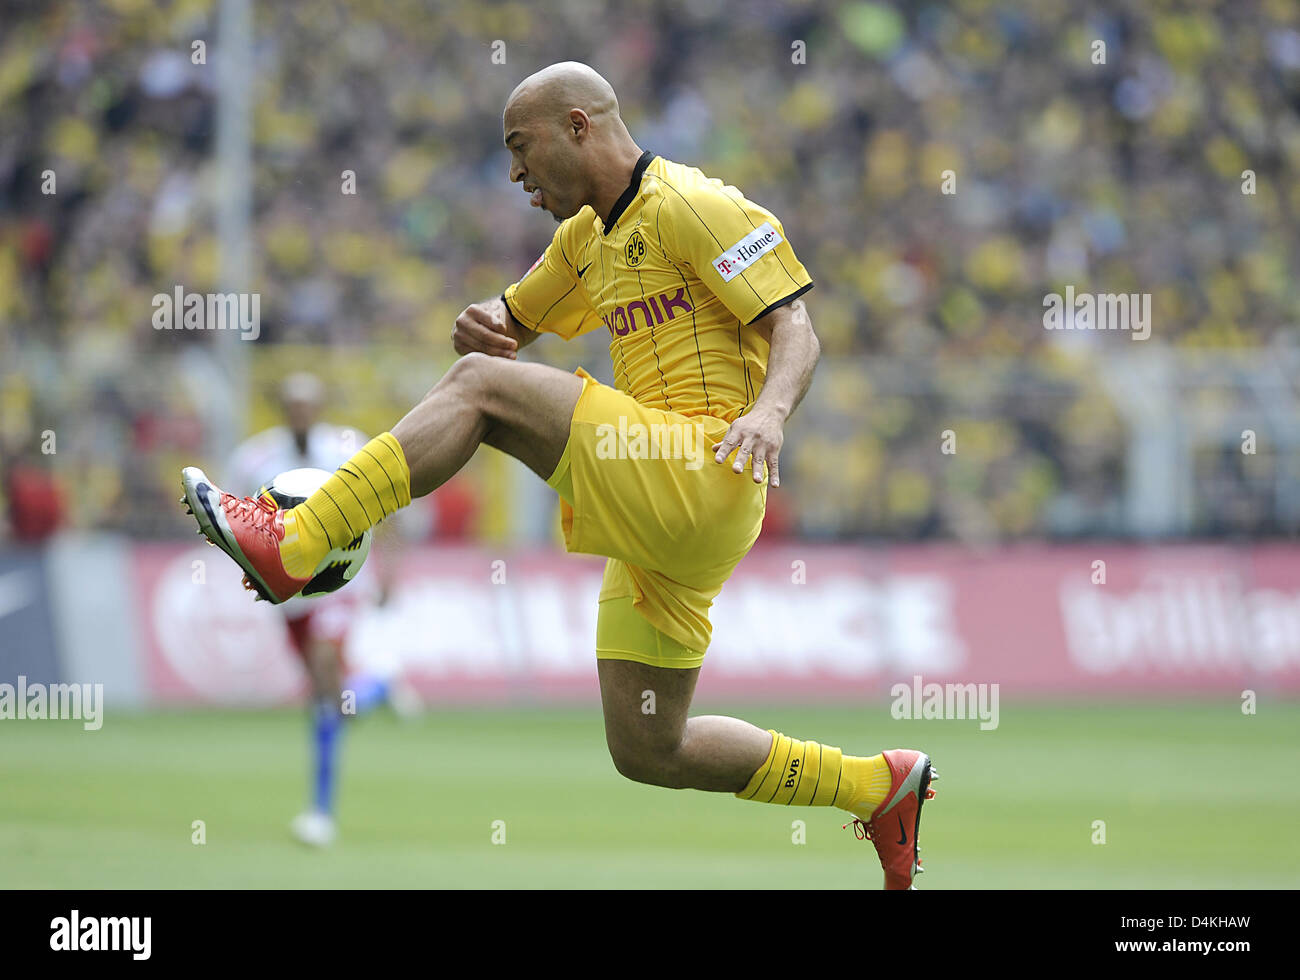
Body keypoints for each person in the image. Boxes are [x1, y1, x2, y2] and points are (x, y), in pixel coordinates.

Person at [181, 63, 936, 887]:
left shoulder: (695, 204)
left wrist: (772, 412)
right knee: (649, 745)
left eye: (520, 147)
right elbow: (509, 323)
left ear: (578, 125)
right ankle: (877, 786)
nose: (514, 175)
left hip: (707, 463)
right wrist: (486, 322)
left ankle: (302, 535)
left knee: (479, 394)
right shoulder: (585, 239)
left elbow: (794, 326)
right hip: (672, 520)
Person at [224, 372, 409, 847]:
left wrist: (388, 573)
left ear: (319, 407)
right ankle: (377, 688)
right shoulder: (255, 458)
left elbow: (386, 510)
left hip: (340, 583)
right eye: (292, 407)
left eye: (308, 406)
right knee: (331, 702)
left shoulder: (346, 450)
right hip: (288, 598)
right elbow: (237, 525)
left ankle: (320, 813)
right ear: (284, 410)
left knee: (326, 681)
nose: (300, 415)